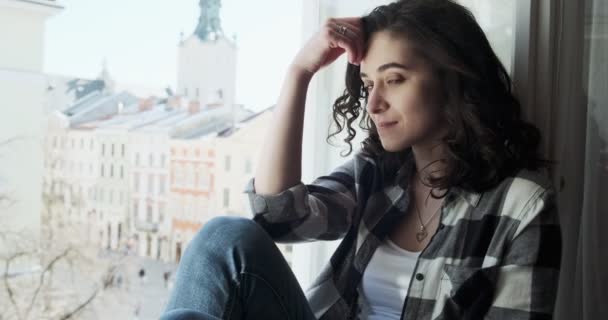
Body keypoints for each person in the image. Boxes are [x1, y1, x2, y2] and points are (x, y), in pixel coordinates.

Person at [161, 0, 561, 319]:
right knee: (223, 236)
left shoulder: (522, 206)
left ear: (453, 79)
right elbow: (279, 217)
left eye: (395, 79)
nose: (373, 102)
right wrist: (299, 72)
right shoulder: (378, 175)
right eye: (369, 83)